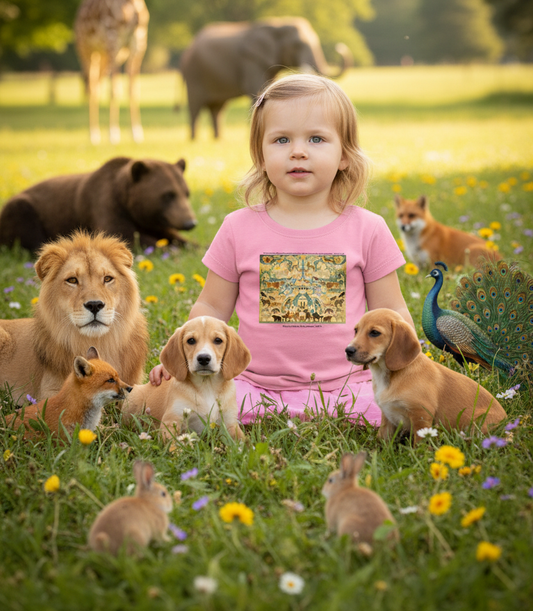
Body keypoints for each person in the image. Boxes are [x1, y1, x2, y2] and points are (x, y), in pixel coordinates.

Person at [150, 74, 414, 425]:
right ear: (260, 156)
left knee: (395, 406)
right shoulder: (237, 228)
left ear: (345, 156)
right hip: (252, 385)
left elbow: (391, 309)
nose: (298, 150)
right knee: (191, 404)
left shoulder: (368, 229)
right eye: (281, 139)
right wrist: (184, 359)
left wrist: (406, 363)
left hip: (349, 386)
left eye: (317, 138)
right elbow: (211, 305)